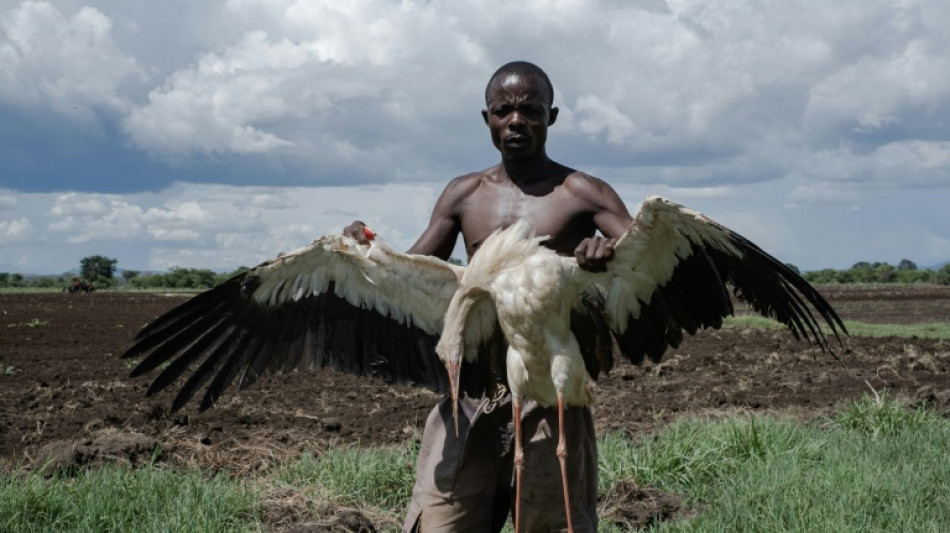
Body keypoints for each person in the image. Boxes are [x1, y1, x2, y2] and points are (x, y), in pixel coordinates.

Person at [346, 61, 634, 533]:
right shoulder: (464, 195)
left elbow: (642, 259)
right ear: (488, 120)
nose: (516, 121)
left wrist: (609, 253)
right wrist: (365, 254)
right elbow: (413, 275)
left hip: (549, 395)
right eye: (503, 111)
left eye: (531, 110)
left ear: (551, 117)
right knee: (440, 524)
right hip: (469, 396)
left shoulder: (583, 194)